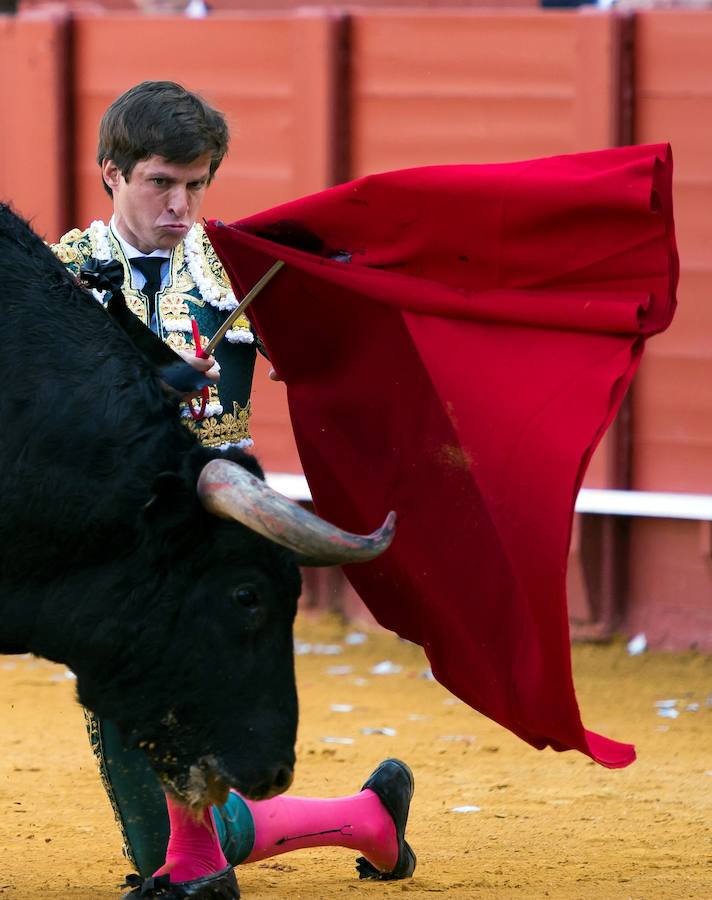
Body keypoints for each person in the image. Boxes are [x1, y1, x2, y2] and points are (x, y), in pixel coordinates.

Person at [51, 80, 415, 900]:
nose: (181, 206)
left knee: (154, 711)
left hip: (203, 537)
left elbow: (231, 442)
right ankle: (362, 819)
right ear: (110, 171)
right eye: (160, 183)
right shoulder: (60, 276)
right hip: (96, 534)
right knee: (147, 791)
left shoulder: (233, 275)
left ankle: (197, 864)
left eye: (197, 185)